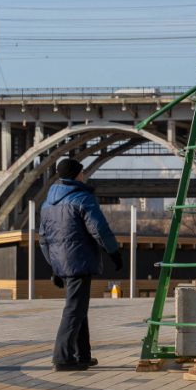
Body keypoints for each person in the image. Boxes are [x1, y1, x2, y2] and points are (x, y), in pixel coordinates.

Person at [39, 158, 123, 372]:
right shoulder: (82, 199)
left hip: (62, 263)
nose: (84, 176)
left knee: (79, 307)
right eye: (82, 172)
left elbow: (44, 239)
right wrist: (113, 252)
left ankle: (81, 355)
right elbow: (99, 229)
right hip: (79, 261)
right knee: (74, 309)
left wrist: (54, 267)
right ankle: (62, 358)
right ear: (76, 174)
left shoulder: (47, 204)